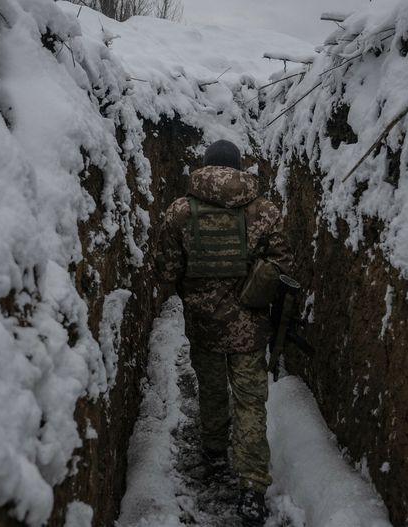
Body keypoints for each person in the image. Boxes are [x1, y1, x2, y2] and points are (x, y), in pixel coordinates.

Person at [155, 139, 293, 525]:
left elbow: (166, 272)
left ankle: (214, 452)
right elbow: (283, 264)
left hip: (203, 324)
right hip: (250, 325)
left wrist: (193, 290)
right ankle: (251, 488)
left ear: (204, 167)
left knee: (212, 388)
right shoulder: (264, 210)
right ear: (237, 168)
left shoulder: (181, 211)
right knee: (250, 401)